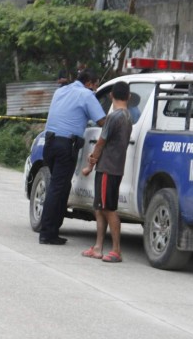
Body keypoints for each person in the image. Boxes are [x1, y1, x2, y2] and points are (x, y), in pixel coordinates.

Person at [39, 69, 106, 245]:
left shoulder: (61, 90)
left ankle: (53, 229)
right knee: (57, 188)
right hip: (65, 146)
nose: (96, 89)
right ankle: (47, 233)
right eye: (96, 85)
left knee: (60, 187)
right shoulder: (86, 94)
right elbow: (102, 121)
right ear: (90, 83)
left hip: (50, 143)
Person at [80, 81, 133, 262]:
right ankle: (98, 247)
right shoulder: (128, 116)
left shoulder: (113, 117)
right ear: (129, 97)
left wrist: (91, 163)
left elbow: (101, 142)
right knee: (99, 208)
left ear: (111, 96)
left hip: (107, 168)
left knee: (108, 209)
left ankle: (116, 250)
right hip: (115, 167)